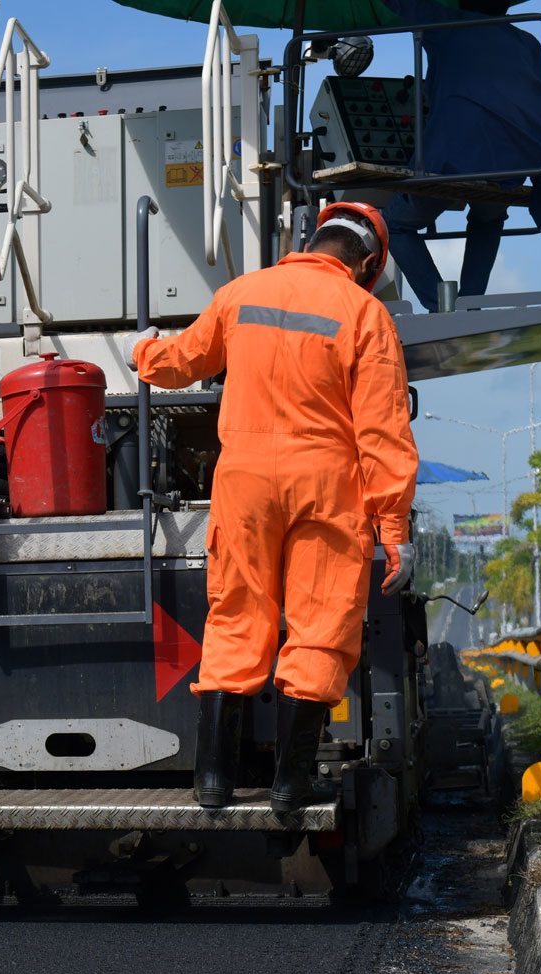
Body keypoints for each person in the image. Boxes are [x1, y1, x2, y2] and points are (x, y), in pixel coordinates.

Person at [130, 202, 418, 825]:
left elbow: (182, 362)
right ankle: (290, 787)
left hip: (246, 478)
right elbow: (384, 434)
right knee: (320, 624)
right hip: (327, 481)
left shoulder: (243, 293)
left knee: (235, 613)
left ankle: (213, 781)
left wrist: (143, 353)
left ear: (312, 240)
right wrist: (393, 530)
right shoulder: (366, 314)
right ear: (366, 263)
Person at [380, 0, 541, 311]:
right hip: (513, 163)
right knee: (489, 218)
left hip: (451, 158)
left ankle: (441, 308)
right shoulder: (531, 43)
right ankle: (471, 306)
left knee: (393, 224)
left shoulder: (445, 24)